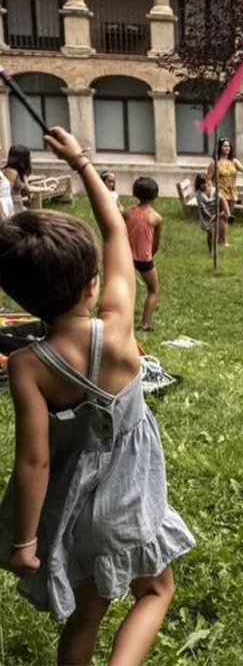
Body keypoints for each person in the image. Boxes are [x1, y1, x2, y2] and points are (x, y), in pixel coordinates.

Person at [0, 127, 194, 665]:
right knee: (155, 591)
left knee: (87, 616)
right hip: (130, 494)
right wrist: (81, 162)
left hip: (72, 502)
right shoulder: (118, 328)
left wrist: (25, 543)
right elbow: (114, 229)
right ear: (92, 285)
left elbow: (33, 461)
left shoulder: (26, 366)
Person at [123, 177, 163, 332]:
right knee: (153, 289)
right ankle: (144, 324)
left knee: (125, 289)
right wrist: (151, 254)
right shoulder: (156, 217)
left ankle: (123, 321)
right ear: (155, 195)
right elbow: (156, 243)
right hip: (144, 259)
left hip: (126, 257)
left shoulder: (126, 212)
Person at [2, 145, 55, 212]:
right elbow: (6, 193)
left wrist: (46, 188)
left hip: (19, 204)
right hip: (12, 206)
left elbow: (29, 188)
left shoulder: (20, 171)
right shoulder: (11, 171)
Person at [207, 138, 243, 217]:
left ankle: (223, 227)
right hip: (220, 191)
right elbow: (208, 179)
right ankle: (217, 226)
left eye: (228, 146)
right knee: (223, 214)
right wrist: (211, 191)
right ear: (220, 148)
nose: (227, 148)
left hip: (232, 191)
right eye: (225, 146)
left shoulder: (234, 161)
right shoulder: (215, 163)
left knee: (227, 215)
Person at [195, 174, 230, 256]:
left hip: (215, 212)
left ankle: (228, 215)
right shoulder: (199, 194)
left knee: (216, 232)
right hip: (206, 216)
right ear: (198, 184)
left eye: (205, 183)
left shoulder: (213, 190)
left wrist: (219, 212)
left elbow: (220, 199)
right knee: (211, 233)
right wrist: (211, 217)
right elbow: (203, 209)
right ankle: (211, 251)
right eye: (202, 184)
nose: (204, 185)